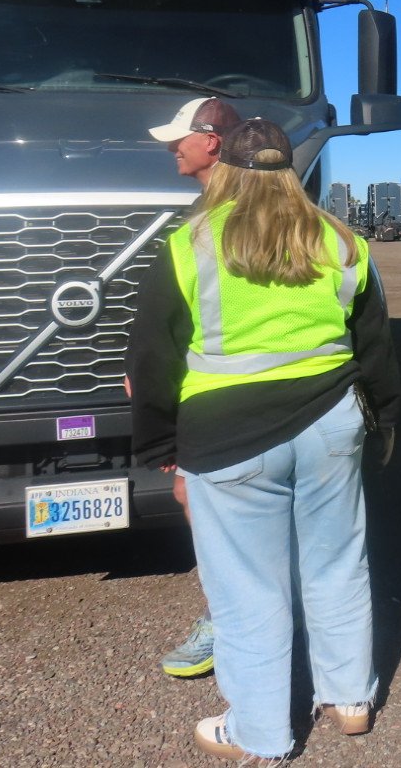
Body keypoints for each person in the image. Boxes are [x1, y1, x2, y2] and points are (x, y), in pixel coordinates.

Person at [129, 118, 399, 764]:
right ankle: (350, 699)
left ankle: (260, 730)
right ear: (291, 172)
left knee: (248, 587)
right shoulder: (343, 241)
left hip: (228, 437)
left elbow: (152, 356)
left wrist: (160, 444)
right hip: (331, 423)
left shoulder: (190, 243)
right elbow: (376, 347)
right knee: (338, 563)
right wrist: (385, 423)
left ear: (228, 169)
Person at [146, 96, 242, 680]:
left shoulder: (229, 216)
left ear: (211, 141)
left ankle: (234, 621)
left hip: (235, 396)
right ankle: (233, 613)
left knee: (212, 501)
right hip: (208, 387)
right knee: (193, 498)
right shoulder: (204, 211)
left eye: (179, 136)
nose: (170, 146)